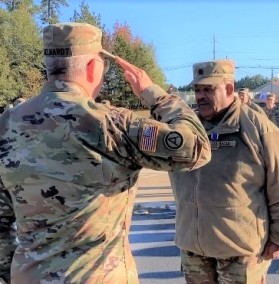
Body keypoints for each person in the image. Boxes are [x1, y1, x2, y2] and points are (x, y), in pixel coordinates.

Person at [0, 22, 211, 284]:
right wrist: (157, 97)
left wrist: (14, 272)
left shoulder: (7, 124)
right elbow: (196, 148)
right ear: (92, 67)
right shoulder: (110, 124)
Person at [168, 59, 279, 283]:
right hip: (193, 248)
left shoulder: (257, 128)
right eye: (197, 89)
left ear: (229, 89)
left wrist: (278, 237)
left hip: (240, 250)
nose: (200, 96)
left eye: (208, 89)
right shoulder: (187, 127)